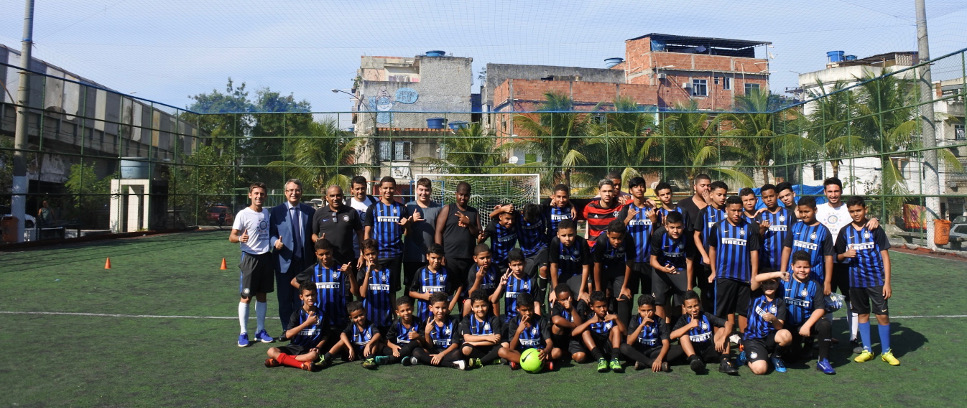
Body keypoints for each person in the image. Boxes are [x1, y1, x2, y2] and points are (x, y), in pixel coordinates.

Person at [817, 177, 879, 353]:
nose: (833, 194)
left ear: (841, 191)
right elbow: (798, 214)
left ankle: (853, 338)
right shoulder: (818, 210)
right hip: (826, 263)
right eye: (830, 191)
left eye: (836, 191)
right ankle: (826, 337)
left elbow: (866, 219)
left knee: (851, 302)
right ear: (825, 193)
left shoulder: (849, 209)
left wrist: (875, 219)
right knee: (826, 299)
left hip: (849, 265)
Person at [835, 196, 898, 366]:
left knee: (882, 315)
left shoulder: (874, 229)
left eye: (858, 210)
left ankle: (886, 351)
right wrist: (845, 255)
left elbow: (885, 257)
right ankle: (867, 350)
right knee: (862, 314)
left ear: (865, 210)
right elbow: (837, 256)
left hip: (876, 280)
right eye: (852, 211)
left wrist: (887, 283)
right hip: (855, 282)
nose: (856, 214)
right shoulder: (844, 231)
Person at [771, 250, 835, 374]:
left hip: (804, 326)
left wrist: (807, 325)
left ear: (811, 267)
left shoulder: (814, 285)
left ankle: (823, 360)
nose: (802, 270)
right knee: (792, 359)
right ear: (792, 267)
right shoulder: (783, 282)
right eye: (798, 267)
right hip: (787, 327)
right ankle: (800, 346)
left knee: (825, 324)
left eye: (806, 267)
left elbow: (820, 308)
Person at [708, 195, 761, 342]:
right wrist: (714, 271)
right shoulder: (718, 227)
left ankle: (744, 343)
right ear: (727, 210)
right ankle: (718, 342)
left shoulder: (749, 228)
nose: (737, 214)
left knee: (743, 311)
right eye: (733, 210)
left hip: (744, 277)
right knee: (721, 311)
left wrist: (754, 275)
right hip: (724, 276)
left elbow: (754, 252)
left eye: (739, 210)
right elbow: (712, 249)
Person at [229, 182, 275, 347]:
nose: (259, 196)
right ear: (250, 195)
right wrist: (241, 238)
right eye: (256, 193)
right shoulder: (243, 214)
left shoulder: (267, 213)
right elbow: (232, 237)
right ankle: (243, 332)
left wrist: (274, 242)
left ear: (265, 196)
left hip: (266, 258)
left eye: (262, 194)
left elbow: (269, 234)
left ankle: (260, 331)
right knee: (246, 296)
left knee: (262, 295)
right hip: (249, 258)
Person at [270, 179, 316, 333]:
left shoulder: (310, 211)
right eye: (290, 190)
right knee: (284, 300)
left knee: (302, 299)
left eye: (297, 190)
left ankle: (301, 330)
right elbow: (271, 234)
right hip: (284, 262)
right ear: (285, 193)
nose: (293, 193)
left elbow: (313, 234)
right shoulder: (276, 211)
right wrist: (275, 242)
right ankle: (286, 330)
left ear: (301, 192)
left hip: (304, 263)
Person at [293, 239, 355, 333]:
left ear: (332, 251)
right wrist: (309, 293)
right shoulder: (313, 269)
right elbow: (294, 281)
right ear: (316, 254)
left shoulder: (341, 269)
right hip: (319, 318)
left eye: (327, 253)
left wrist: (350, 274)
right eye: (321, 255)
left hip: (339, 317)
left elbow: (354, 291)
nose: (325, 257)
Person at [364, 176, 412, 296]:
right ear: (380, 189)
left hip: (395, 255)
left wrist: (407, 226)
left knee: (392, 290)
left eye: (391, 188)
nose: (388, 191)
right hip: (377, 255)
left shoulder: (401, 209)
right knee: (375, 286)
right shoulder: (373, 208)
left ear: (395, 189)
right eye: (385, 188)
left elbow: (407, 234)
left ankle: (392, 314)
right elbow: (367, 232)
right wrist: (365, 254)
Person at [670, 290, 737, 375]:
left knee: (723, 330)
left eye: (696, 305)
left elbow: (729, 324)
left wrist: (723, 338)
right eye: (690, 307)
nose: (694, 309)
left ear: (700, 303)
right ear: (684, 308)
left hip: (709, 349)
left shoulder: (706, 315)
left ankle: (725, 361)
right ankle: (694, 360)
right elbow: (672, 336)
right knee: (683, 335)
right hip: (693, 351)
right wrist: (690, 325)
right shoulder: (683, 319)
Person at [264, 281, 327, 371]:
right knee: (271, 351)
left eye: (313, 295)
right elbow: (288, 335)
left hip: (309, 350)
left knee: (313, 355)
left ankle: (281, 360)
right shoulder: (296, 314)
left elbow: (326, 335)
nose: (311, 298)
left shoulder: (322, 314)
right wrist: (306, 323)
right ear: (301, 297)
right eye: (307, 295)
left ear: (317, 295)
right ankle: (301, 365)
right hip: (294, 347)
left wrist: (318, 347)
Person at [435, 181, 481, 297]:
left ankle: (463, 315)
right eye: (460, 194)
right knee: (447, 291)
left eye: (466, 195)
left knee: (465, 292)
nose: (463, 197)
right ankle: (445, 315)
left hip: (468, 258)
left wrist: (469, 223)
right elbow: (438, 232)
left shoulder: (473, 212)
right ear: (456, 194)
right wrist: (440, 254)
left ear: (469, 196)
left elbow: (479, 235)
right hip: (450, 257)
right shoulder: (448, 209)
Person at [779, 196, 834, 289]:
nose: (804, 215)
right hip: (793, 274)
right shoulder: (795, 227)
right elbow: (787, 249)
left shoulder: (824, 231)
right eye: (801, 212)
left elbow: (828, 257)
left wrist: (827, 281)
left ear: (815, 210)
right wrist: (782, 271)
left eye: (807, 211)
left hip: (815, 275)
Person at [617, 176, 658, 300]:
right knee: (628, 295)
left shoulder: (652, 210)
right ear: (630, 191)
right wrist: (628, 218)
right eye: (635, 186)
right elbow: (617, 232)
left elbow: (656, 236)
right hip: (630, 260)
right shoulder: (626, 210)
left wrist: (654, 222)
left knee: (649, 296)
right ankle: (628, 319)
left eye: (641, 186)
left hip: (648, 260)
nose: (639, 189)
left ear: (645, 188)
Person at [649, 211, 694, 323]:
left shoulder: (688, 236)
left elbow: (689, 262)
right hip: (661, 269)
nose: (675, 231)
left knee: (686, 298)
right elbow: (652, 261)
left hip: (680, 269)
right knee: (659, 301)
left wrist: (689, 286)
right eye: (672, 227)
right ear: (666, 226)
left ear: (683, 226)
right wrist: (663, 269)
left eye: (678, 227)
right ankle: (662, 331)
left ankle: (685, 330)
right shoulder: (659, 235)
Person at [311, 185, 363, 280]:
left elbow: (360, 233)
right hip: (326, 261)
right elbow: (313, 234)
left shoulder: (351, 212)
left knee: (347, 291)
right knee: (327, 290)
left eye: (338, 195)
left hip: (347, 260)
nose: (335, 198)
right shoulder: (319, 213)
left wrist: (361, 254)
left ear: (343, 196)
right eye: (332, 196)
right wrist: (318, 240)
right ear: (327, 197)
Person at [741, 277, 791, 375]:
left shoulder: (780, 302)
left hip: (769, 338)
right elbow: (756, 279)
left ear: (777, 284)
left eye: (772, 283)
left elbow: (779, 327)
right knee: (761, 370)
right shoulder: (755, 295)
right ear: (761, 284)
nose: (769, 286)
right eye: (766, 283)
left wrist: (773, 319)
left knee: (786, 335)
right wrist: (778, 273)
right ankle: (746, 356)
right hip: (753, 339)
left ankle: (776, 357)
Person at [315, 301, 387, 370]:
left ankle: (369, 359)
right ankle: (326, 358)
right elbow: (342, 334)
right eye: (356, 317)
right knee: (342, 341)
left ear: (365, 311)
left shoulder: (370, 324)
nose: (359, 318)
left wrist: (369, 345)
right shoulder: (352, 326)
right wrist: (350, 348)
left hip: (366, 352)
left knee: (375, 342)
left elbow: (377, 334)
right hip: (353, 353)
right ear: (351, 318)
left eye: (361, 315)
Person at [498, 292, 561, 371]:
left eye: (530, 309)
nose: (528, 313)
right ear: (518, 309)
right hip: (521, 353)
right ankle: (543, 364)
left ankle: (521, 363)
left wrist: (545, 351)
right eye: (524, 310)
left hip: (538, 353)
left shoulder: (540, 320)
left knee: (557, 352)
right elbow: (512, 347)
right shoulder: (514, 322)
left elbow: (549, 342)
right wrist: (518, 331)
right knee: (501, 351)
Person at [692, 180, 728, 312]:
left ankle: (722, 323)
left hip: (725, 261)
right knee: (707, 292)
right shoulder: (704, 212)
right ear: (711, 195)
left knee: (723, 294)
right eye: (719, 195)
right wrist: (704, 255)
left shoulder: (729, 211)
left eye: (724, 195)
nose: (723, 198)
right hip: (707, 261)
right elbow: (696, 236)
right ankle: (707, 321)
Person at [592, 219, 635, 325]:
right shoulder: (601, 241)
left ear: (624, 235)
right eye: (613, 238)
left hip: (619, 269)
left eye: (619, 238)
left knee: (623, 296)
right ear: (608, 234)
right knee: (601, 298)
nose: (616, 242)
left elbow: (630, 262)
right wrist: (598, 290)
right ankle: (601, 326)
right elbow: (597, 266)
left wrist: (624, 286)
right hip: (603, 269)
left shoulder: (628, 239)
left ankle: (623, 330)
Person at [411, 292, 467, 370]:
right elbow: (429, 346)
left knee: (457, 353)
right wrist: (427, 333)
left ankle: (425, 361)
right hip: (432, 351)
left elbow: (455, 344)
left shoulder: (453, 322)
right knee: (417, 352)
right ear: (431, 308)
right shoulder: (427, 321)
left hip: (447, 352)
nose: (440, 311)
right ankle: (452, 365)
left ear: (447, 307)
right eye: (437, 307)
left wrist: (441, 355)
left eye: (443, 308)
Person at [403, 178, 442, 290]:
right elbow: (404, 232)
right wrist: (410, 221)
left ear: (430, 191)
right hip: (411, 255)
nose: (423, 193)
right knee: (410, 289)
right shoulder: (408, 207)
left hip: (430, 257)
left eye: (426, 190)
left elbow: (440, 232)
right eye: (421, 189)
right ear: (416, 190)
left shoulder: (438, 209)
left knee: (431, 288)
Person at [573, 291, 626, 373]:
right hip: (595, 348)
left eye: (604, 306)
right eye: (599, 307)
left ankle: (614, 359)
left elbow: (624, 332)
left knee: (615, 328)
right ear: (591, 307)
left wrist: (616, 318)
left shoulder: (611, 315)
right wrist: (589, 322)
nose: (602, 309)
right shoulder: (589, 317)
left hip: (609, 346)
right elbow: (573, 333)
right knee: (585, 332)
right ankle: (600, 359)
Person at [620, 294, 674, 372]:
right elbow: (629, 342)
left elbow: (665, 343)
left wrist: (659, 359)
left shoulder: (660, 321)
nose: (647, 314)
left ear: (655, 309)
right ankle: (651, 363)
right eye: (643, 311)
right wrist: (641, 325)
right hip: (639, 350)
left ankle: (643, 363)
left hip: (655, 350)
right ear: (638, 309)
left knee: (680, 349)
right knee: (624, 347)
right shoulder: (635, 319)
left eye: (650, 310)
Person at [409, 244, 462, 322]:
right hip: (424, 315)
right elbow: (411, 292)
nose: (436, 261)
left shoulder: (447, 272)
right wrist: (423, 296)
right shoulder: (420, 272)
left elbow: (459, 286)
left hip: (442, 314)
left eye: (439, 258)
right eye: (433, 258)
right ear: (427, 256)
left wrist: (450, 306)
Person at [492, 248, 540, 323]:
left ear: (525, 263)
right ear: (510, 265)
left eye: (520, 264)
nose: (517, 268)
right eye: (514, 265)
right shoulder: (506, 281)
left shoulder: (531, 282)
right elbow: (494, 300)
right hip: (509, 321)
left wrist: (538, 323)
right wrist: (501, 285)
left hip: (528, 320)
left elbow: (536, 304)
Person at [459, 290, 505, 368]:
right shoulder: (467, 319)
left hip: (489, 347)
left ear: (488, 305)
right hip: (476, 349)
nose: (480, 309)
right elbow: (467, 337)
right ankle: (492, 359)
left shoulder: (493, 319)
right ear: (472, 307)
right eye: (477, 306)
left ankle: (480, 361)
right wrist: (488, 337)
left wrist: (475, 343)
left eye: (483, 305)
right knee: (466, 349)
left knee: (505, 345)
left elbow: (497, 339)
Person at [358, 239, 394, 330]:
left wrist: (395, 314)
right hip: (368, 319)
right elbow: (362, 294)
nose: (371, 257)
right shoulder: (362, 272)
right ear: (364, 256)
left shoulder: (388, 272)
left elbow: (392, 295)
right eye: (367, 254)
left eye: (373, 253)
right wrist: (368, 273)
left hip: (385, 318)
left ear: (377, 253)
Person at [548, 284, 589, 363]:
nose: (566, 301)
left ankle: (570, 353)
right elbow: (556, 320)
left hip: (574, 337)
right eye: (563, 299)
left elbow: (580, 325)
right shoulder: (557, 306)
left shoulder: (578, 304)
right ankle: (560, 349)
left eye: (568, 298)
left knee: (581, 357)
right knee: (557, 327)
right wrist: (573, 325)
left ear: (572, 296)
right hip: (562, 337)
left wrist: (571, 308)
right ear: (558, 300)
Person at [756, 183, 792, 273]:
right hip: (766, 263)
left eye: (771, 196)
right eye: (766, 197)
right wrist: (761, 230)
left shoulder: (789, 214)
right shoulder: (759, 216)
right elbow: (756, 241)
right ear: (762, 199)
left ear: (777, 196)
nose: (769, 199)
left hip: (787, 263)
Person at [385, 296, 424, 366]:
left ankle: (391, 359)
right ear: (397, 312)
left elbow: (424, 341)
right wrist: (393, 347)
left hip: (412, 348)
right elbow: (387, 340)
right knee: (384, 349)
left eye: (408, 309)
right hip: (399, 348)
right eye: (402, 311)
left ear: (412, 308)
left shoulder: (418, 322)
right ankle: (405, 358)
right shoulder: (396, 323)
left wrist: (418, 336)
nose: (406, 313)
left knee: (417, 347)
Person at [583, 178, 624, 245]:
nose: (607, 194)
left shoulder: (620, 206)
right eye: (604, 191)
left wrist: (646, 199)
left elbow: (637, 200)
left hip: (612, 249)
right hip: (593, 247)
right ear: (599, 192)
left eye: (610, 191)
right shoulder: (589, 207)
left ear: (613, 191)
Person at [462, 244, 500, 316]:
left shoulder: (495, 268)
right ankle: (465, 324)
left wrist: (489, 298)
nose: (486, 260)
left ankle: (497, 323)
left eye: (488, 257)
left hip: (490, 298)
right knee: (467, 303)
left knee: (495, 300)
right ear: (475, 258)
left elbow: (498, 290)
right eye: (482, 258)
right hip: (477, 301)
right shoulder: (473, 270)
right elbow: (471, 294)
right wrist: (478, 279)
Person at [348, 175, 377, 258]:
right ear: (352, 190)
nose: (360, 191)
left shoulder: (375, 201)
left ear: (366, 188)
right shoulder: (347, 204)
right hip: (353, 247)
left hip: (371, 248)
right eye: (357, 189)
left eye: (362, 188)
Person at [480, 205, 518, 270]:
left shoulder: (516, 223)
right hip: (496, 263)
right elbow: (480, 241)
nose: (510, 222)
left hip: (510, 263)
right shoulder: (493, 225)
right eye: (507, 219)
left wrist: (505, 208)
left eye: (512, 219)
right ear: (500, 217)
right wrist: (480, 238)